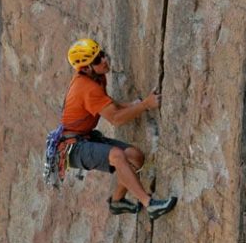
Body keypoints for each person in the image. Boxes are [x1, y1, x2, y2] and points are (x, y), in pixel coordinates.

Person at [60, 38, 177, 220]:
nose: (104, 60)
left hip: (85, 137)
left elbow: (107, 103)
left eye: (102, 54)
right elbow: (115, 119)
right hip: (72, 147)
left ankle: (117, 201)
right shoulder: (87, 88)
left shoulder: (97, 77)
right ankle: (149, 204)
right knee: (117, 156)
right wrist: (145, 105)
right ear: (86, 68)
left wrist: (132, 105)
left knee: (136, 157)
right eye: (97, 60)